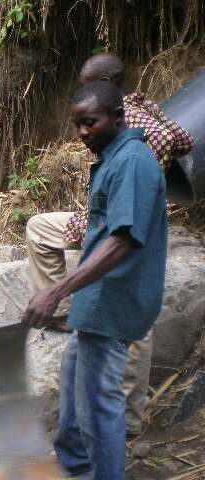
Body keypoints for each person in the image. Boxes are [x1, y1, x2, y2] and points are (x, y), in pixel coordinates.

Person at [25, 52, 193, 434]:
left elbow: (125, 227)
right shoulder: (130, 113)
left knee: (133, 318)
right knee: (39, 228)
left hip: (122, 227)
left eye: (90, 86)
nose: (84, 96)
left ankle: (129, 418)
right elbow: (184, 139)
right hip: (105, 221)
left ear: (110, 90)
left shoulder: (132, 133)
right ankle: (66, 315)